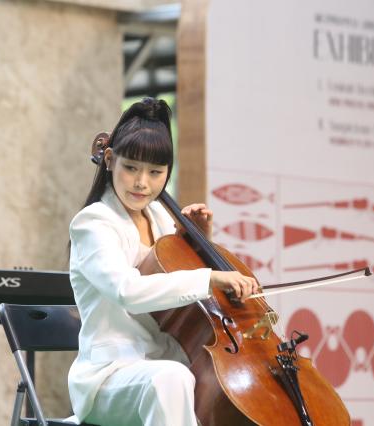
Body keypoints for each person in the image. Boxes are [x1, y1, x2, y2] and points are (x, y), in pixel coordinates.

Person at [68, 98, 258, 425]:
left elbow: (174, 282)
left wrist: (199, 242)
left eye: (156, 172)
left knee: (207, 381)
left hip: (164, 359)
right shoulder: (93, 223)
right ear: (110, 160)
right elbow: (127, 291)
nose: (142, 183)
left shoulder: (159, 215)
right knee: (170, 379)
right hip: (109, 376)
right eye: (131, 168)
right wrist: (209, 277)